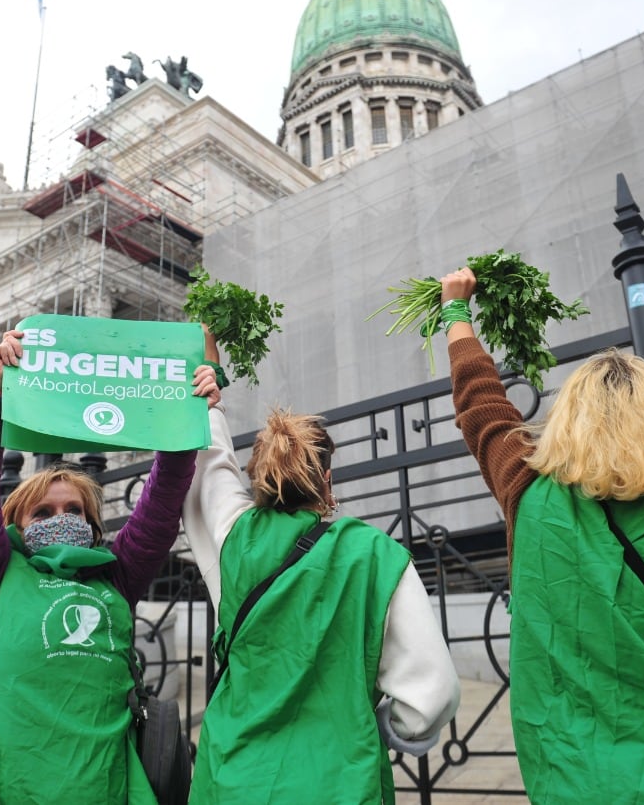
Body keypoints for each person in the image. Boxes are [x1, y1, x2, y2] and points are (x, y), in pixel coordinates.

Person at [437, 266, 644, 804]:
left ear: (569, 420)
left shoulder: (528, 494)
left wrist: (455, 311)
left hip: (572, 783)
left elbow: (482, 408)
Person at [181, 329, 461, 804]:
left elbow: (209, 466)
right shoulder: (374, 554)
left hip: (234, 779)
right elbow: (431, 696)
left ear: (259, 476)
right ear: (326, 480)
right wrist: (377, 725)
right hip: (340, 782)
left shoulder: (234, 538)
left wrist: (210, 392)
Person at [0, 329, 219, 804]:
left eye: (75, 510)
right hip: (4, 789)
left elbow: (160, 506)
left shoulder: (115, 573)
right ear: (15, 523)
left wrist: (185, 413)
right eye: (44, 512)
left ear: (94, 526)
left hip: (105, 788)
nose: (62, 518)